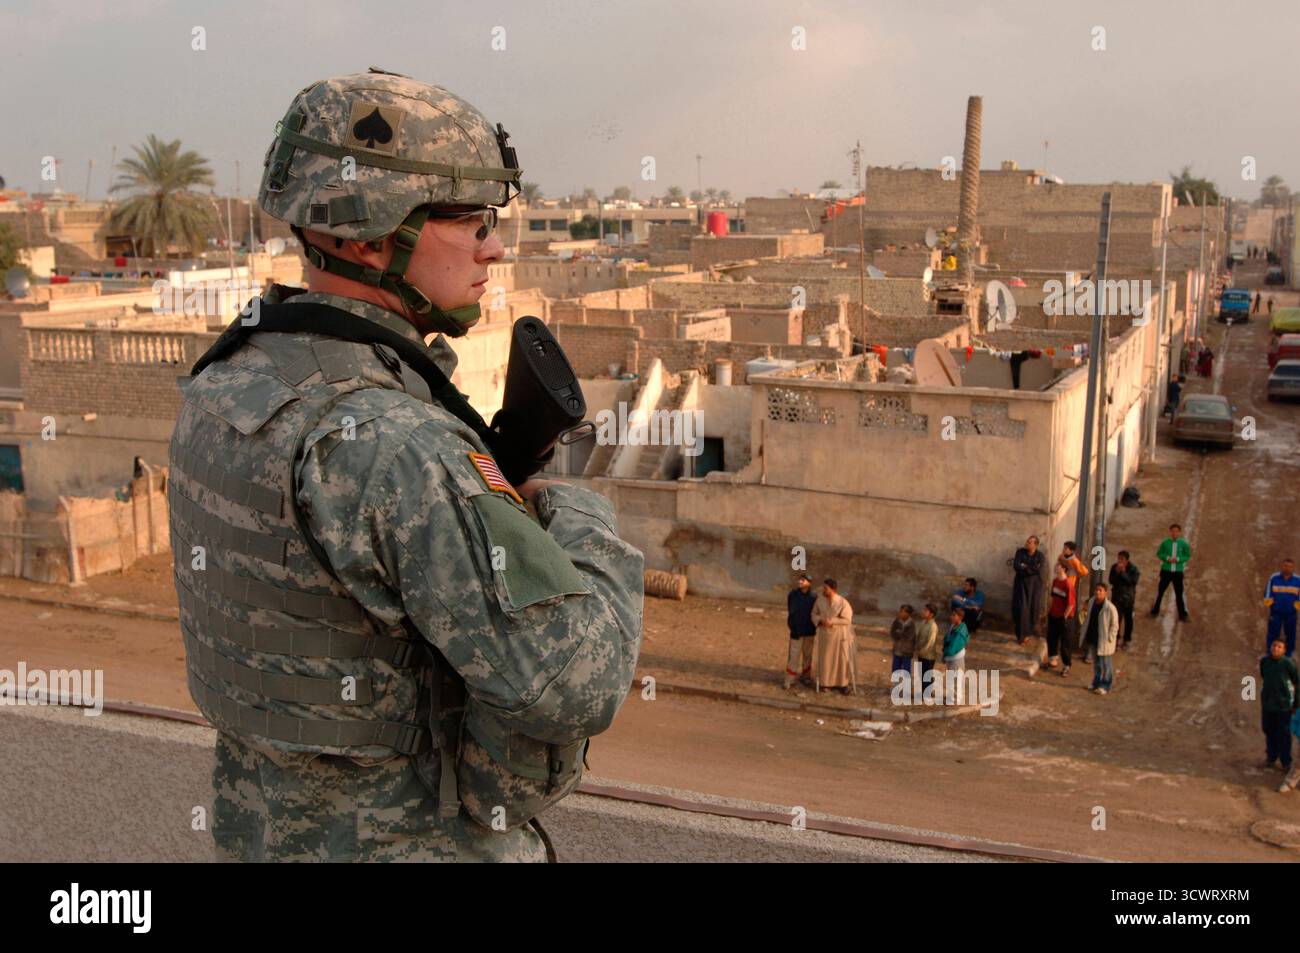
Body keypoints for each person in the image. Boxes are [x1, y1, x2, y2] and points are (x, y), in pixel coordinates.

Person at [169, 70, 644, 863]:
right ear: (363, 236)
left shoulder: (228, 380)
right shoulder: (394, 443)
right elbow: (575, 679)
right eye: (467, 219)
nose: (495, 245)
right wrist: (573, 511)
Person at [1260, 638, 1298, 775]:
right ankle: (1271, 757)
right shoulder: (1265, 662)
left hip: (1283, 705)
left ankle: (1286, 762)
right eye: (1274, 646)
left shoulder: (1288, 664)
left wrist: (1296, 703)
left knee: (1284, 734)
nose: (1276, 649)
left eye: (1279, 647)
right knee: (1268, 730)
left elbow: (1296, 682)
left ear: (1284, 650)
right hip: (1268, 704)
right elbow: (1264, 676)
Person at [812, 578, 855, 694]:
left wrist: (832, 621)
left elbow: (847, 620)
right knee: (825, 660)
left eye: (825, 588)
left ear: (833, 589)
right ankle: (825, 684)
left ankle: (842, 685)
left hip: (840, 636)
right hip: (825, 636)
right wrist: (820, 620)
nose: (823, 590)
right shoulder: (819, 601)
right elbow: (813, 614)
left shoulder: (843, 602)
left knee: (841, 660)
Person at [1082, 584, 1120, 695]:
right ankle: (1096, 683)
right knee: (1097, 664)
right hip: (1093, 638)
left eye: (1100, 590)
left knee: (1106, 664)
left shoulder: (1110, 608)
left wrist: (1110, 638)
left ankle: (1105, 685)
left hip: (1104, 641)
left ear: (1105, 593)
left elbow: (1115, 625)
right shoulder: (1091, 603)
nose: (1097, 592)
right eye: (1096, 590)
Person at [1151, 524, 1191, 622]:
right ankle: (1155, 611)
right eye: (1173, 531)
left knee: (1179, 593)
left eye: (1176, 531)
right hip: (1166, 571)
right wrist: (1167, 558)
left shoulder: (1183, 544)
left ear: (1179, 532)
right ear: (1170, 532)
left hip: (1177, 572)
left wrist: (1178, 559)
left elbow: (1187, 555)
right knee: (1160, 592)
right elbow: (1159, 553)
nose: (1174, 533)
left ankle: (1182, 614)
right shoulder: (1165, 543)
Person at [784, 575, 818, 688]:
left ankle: (806, 677)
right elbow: (791, 610)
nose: (800, 581)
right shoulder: (793, 594)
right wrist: (793, 626)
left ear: (809, 582)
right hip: (796, 631)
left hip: (809, 631)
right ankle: (789, 680)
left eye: (803, 580)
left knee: (807, 656)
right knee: (793, 656)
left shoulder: (814, 597)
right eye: (799, 579)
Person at [1010, 536, 1045, 645]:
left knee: (1032, 609)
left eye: (1030, 542)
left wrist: (1024, 566)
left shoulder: (1040, 556)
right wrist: (1027, 568)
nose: (1027, 544)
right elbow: (1016, 565)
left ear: (1036, 545)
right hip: (1020, 585)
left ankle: (1028, 633)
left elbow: (1037, 568)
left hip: (1034, 587)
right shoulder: (1020, 552)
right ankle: (1020, 635)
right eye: (1027, 541)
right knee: (1020, 609)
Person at [1059, 541, 1090, 659]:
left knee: (1068, 610)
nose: (1064, 550)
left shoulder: (1074, 561)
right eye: (1064, 548)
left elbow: (1084, 571)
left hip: (1069, 586)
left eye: (1066, 548)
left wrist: (1076, 576)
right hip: (1063, 585)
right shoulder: (1062, 557)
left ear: (1071, 551)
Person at [1263, 558, 1300, 656]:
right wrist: (1271, 605)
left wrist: (1296, 607)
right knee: (1273, 634)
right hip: (1276, 612)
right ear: (1282, 566)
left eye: (1290, 566)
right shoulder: (1274, 578)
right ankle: (1270, 654)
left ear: (1293, 568)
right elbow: (1267, 593)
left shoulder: (1298, 580)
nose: (1287, 568)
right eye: (1285, 566)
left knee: (1290, 635)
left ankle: (1288, 655)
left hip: (1291, 613)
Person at [1107, 551, 1141, 650]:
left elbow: (1132, 582)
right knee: (1116, 619)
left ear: (1126, 560)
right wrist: (1118, 573)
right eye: (1118, 558)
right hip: (1117, 597)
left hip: (1128, 598)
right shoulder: (1114, 567)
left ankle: (1127, 640)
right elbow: (1111, 580)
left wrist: (1123, 573)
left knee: (1129, 619)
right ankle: (1116, 639)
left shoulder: (1133, 569)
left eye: (1122, 559)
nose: (1119, 561)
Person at [1046, 563, 1073, 674]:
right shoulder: (1055, 581)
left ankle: (1066, 665)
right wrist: (1049, 610)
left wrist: (1064, 617)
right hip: (1053, 614)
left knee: (1064, 642)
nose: (1056, 567)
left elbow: (1070, 604)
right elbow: (1052, 597)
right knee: (1051, 637)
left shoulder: (1068, 585)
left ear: (1064, 569)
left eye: (1058, 566)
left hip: (1063, 617)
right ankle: (1053, 659)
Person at [942, 608, 971, 704]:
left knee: (956, 679)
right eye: (952, 615)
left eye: (954, 615)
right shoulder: (953, 626)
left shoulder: (960, 631)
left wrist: (946, 654)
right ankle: (951, 697)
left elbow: (954, 647)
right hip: (952, 658)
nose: (951, 617)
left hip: (956, 658)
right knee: (951, 678)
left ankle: (955, 699)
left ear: (960, 617)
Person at [914, 603, 940, 690]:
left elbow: (930, 643)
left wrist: (920, 652)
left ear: (931, 614)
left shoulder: (933, 626)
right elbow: (919, 637)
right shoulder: (923, 623)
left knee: (926, 676)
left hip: (928, 656)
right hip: (921, 654)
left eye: (925, 611)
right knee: (922, 675)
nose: (923, 612)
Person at [889, 604, 918, 678]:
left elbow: (909, 636)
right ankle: (896, 687)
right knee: (895, 670)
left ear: (908, 614)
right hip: (897, 650)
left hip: (907, 652)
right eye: (900, 611)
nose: (900, 613)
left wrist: (899, 632)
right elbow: (892, 633)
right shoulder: (897, 621)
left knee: (906, 671)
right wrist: (899, 633)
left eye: (902, 612)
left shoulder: (911, 624)